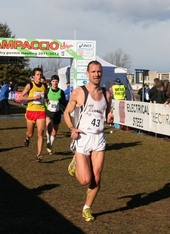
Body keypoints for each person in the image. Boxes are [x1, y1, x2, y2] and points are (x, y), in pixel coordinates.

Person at [63, 60, 114, 222]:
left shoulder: (106, 95)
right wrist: (72, 128)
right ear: (87, 74)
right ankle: (76, 163)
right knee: (85, 180)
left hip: (99, 138)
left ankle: (87, 208)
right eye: (93, 71)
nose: (96, 74)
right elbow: (66, 112)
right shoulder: (79, 93)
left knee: (96, 178)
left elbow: (106, 116)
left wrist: (110, 118)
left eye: (99, 71)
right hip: (82, 138)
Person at [20, 68, 48, 162]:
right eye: (37, 74)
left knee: (41, 132)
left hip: (41, 111)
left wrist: (48, 101)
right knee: (31, 133)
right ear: (33, 76)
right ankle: (27, 137)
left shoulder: (44, 85)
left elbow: (46, 96)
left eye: (40, 74)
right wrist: (33, 98)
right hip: (31, 111)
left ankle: (39, 154)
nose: (39, 76)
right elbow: (21, 97)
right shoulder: (30, 85)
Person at [45, 75, 67, 154]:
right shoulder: (47, 90)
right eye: (53, 81)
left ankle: (50, 144)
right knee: (49, 126)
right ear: (51, 82)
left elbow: (64, 102)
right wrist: (46, 102)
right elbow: (44, 99)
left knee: (54, 132)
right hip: (49, 112)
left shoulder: (61, 92)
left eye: (56, 81)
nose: (55, 83)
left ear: (58, 82)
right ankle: (48, 139)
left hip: (57, 113)